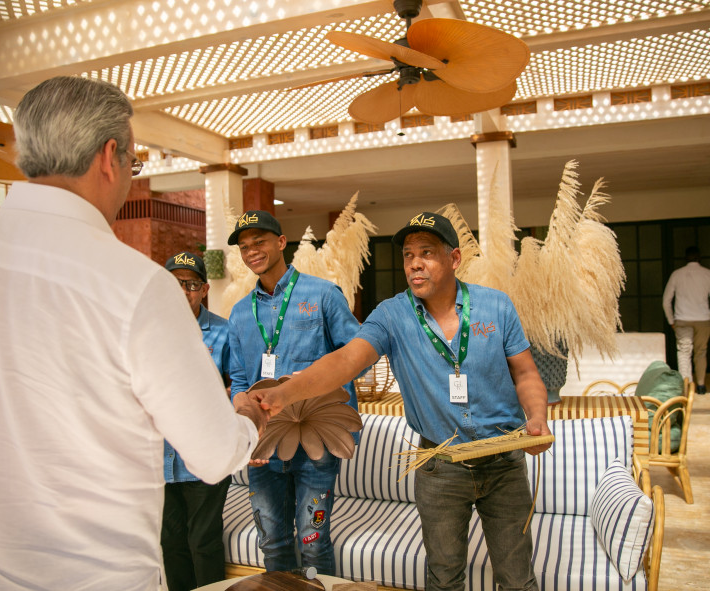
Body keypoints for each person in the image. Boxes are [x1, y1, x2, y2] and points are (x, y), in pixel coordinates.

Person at [0, 76, 267, 590]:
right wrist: (248, 416)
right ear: (109, 157)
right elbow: (213, 454)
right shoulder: (136, 285)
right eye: (134, 165)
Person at [250, 212, 552, 591]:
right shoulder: (391, 316)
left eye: (427, 253)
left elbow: (526, 374)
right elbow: (345, 360)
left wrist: (536, 417)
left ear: (454, 259)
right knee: (444, 580)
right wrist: (284, 393)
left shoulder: (496, 306)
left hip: (504, 460)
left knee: (517, 579)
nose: (414, 264)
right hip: (440, 466)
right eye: (408, 255)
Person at [227, 210, 361, 575]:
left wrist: (314, 381)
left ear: (281, 242)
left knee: (313, 540)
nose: (252, 251)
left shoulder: (323, 295)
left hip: (316, 442)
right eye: (244, 247)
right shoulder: (240, 314)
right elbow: (239, 382)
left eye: (259, 242)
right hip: (265, 444)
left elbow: (356, 357)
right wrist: (246, 429)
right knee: (272, 542)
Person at [161, 252, 233, 590]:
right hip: (160, 459)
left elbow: (239, 387)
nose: (183, 291)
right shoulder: (148, 329)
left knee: (203, 543)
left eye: (190, 284)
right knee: (170, 544)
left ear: (204, 289)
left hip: (205, 458)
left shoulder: (223, 332)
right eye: (175, 283)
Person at [663, 246, 710, 394]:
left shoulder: (677, 274)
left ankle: (686, 386)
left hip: (682, 318)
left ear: (685, 258)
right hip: (703, 319)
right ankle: (701, 385)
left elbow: (666, 301)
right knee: (701, 352)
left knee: (684, 352)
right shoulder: (707, 274)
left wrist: (671, 320)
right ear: (699, 257)